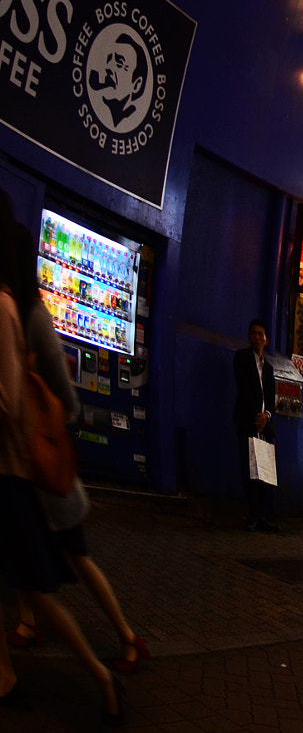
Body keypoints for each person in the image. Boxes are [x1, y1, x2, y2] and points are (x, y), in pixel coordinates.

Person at [0, 213, 124, 722]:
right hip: (22, 475)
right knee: (36, 583)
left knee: (53, 581)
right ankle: (7, 676)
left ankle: (108, 663)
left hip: (26, 477)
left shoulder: (14, 310)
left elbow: (22, 402)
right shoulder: (16, 307)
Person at [10, 285, 146, 671]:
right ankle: (28, 622)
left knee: (79, 557)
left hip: (47, 469)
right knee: (19, 554)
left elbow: (67, 401)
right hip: (24, 470)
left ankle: (125, 635)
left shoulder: (30, 313)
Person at [232, 319, 279, 533]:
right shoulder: (241, 358)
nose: (257, 337)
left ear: (266, 339)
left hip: (265, 426)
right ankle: (253, 515)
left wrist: (266, 416)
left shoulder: (268, 368)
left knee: (264, 472)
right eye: (253, 333)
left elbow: (271, 397)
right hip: (248, 423)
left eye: (260, 334)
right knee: (249, 470)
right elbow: (243, 389)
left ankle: (263, 516)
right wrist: (255, 417)